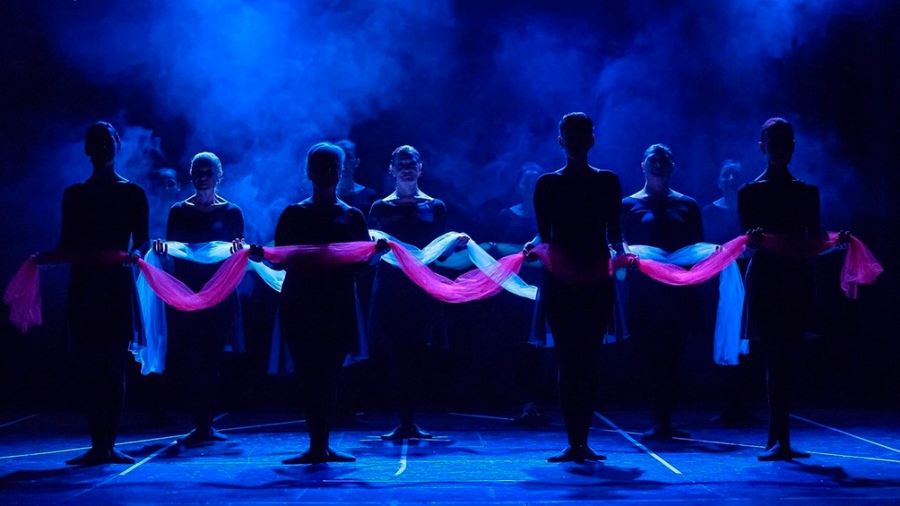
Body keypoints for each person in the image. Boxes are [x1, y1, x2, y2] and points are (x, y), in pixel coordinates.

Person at [35, 121, 149, 465]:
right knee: (89, 368)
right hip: (84, 288)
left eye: (107, 141)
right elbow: (66, 243)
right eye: (95, 142)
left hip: (114, 286)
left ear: (117, 146)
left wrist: (137, 255)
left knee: (113, 368)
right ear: (88, 150)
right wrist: (45, 260)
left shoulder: (132, 193)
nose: (101, 147)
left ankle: (108, 445)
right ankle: (97, 444)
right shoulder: (75, 195)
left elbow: (142, 238)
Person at [275, 142, 386, 464]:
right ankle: (315, 444)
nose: (326, 172)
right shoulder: (294, 214)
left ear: (341, 172)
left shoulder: (351, 215)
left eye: (332, 166)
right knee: (309, 374)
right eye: (320, 166)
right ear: (309, 172)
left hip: (336, 305)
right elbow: (281, 260)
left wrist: (376, 254)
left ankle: (322, 444)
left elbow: (360, 264)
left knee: (329, 374)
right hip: (300, 303)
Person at [526, 112, 626, 462]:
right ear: (560, 140)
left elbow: (615, 233)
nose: (575, 138)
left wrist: (624, 256)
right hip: (561, 280)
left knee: (590, 360)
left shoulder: (608, 182)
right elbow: (544, 232)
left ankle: (583, 440)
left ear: (592, 139)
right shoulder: (547, 184)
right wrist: (533, 247)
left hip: (597, 278)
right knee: (569, 361)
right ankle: (574, 441)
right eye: (569, 133)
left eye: (581, 132)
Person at [739, 118, 823, 461]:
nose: (780, 149)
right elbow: (748, 245)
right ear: (763, 147)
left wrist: (837, 242)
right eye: (774, 143)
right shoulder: (750, 192)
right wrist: (755, 242)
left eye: (785, 143)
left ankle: (778, 435)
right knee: (775, 359)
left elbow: (815, 238)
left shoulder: (806, 192)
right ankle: (780, 441)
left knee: (789, 360)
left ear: (793, 146)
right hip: (767, 281)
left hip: (796, 279)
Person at [367, 145, 464, 440]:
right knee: (396, 353)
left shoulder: (435, 207)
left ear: (421, 168)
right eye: (401, 162)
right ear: (391, 169)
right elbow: (368, 257)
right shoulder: (379, 208)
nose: (407, 167)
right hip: (391, 288)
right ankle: (403, 420)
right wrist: (376, 251)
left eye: (412, 162)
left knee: (420, 352)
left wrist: (455, 244)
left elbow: (439, 256)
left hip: (422, 288)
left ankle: (412, 420)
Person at [152, 152, 244, 446]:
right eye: (198, 170)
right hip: (186, 292)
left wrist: (237, 253)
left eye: (208, 170)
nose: (203, 175)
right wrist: (162, 255)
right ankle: (200, 422)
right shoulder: (179, 211)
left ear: (219, 175)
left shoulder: (232, 212)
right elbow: (172, 259)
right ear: (191, 175)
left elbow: (237, 258)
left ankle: (207, 423)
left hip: (218, 293)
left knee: (213, 357)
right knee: (192, 358)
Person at [621, 143, 704, 441]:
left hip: (678, 293)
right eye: (653, 160)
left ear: (673, 166)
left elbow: (697, 249)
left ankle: (666, 420)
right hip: (644, 292)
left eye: (664, 160)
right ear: (642, 165)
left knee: (674, 355)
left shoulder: (689, 205)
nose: (658, 165)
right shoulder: (627, 205)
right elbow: (618, 246)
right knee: (649, 354)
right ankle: (657, 418)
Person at [489, 163, 554, 424]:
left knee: (537, 344)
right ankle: (518, 398)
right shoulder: (506, 215)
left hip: (542, 287)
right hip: (512, 290)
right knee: (514, 342)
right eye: (526, 180)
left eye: (535, 180)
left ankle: (534, 401)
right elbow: (494, 249)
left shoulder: (549, 216)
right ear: (518, 185)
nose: (530, 184)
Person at [702, 160, 760, 426]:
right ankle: (727, 403)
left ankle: (743, 403)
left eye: (736, 175)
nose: (731, 178)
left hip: (748, 280)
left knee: (745, 339)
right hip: (719, 280)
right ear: (719, 180)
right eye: (726, 174)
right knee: (723, 335)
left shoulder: (751, 212)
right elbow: (702, 245)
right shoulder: (709, 212)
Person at [335, 140, 379, 218]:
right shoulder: (325, 195)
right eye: (340, 156)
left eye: (348, 156)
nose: (343, 161)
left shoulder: (368, 195)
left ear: (357, 162)